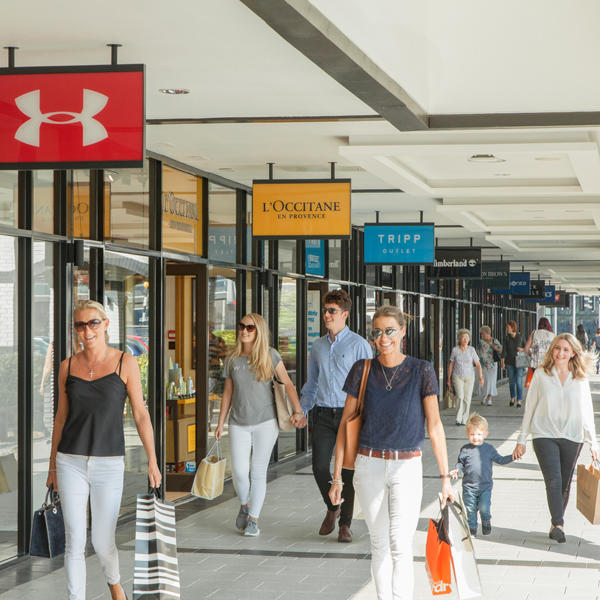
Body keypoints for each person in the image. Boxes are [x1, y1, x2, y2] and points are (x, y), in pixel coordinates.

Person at [329, 305, 453, 600]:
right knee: (379, 544)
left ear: (402, 332)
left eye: (389, 331)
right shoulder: (362, 369)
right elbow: (345, 426)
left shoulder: (421, 370)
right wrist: (337, 478)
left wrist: (445, 477)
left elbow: (435, 426)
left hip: (407, 466)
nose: (382, 338)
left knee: (400, 544)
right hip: (369, 465)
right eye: (376, 332)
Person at [47, 300, 161, 600]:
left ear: (106, 324)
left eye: (93, 323)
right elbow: (61, 418)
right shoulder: (67, 366)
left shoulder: (126, 362)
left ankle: (114, 584)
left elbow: (140, 413)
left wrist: (153, 460)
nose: (87, 331)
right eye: (80, 325)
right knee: (74, 541)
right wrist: (51, 467)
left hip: (109, 463)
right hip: (69, 460)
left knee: (101, 541)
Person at [215, 313, 303, 537]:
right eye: (241, 326)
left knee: (257, 472)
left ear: (259, 331)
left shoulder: (270, 356)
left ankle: (253, 519)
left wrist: (298, 410)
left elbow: (288, 385)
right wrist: (220, 422)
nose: (244, 331)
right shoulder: (232, 359)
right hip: (238, 422)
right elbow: (227, 393)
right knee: (239, 471)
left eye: (250, 328)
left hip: (266, 422)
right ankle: (244, 504)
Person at [299, 289, 372, 543]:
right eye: (325, 310)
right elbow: (312, 382)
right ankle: (333, 507)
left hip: (349, 414)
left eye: (332, 311)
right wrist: (302, 410)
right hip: (322, 414)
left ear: (345, 314)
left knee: (348, 472)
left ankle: (345, 525)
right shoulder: (318, 346)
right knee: (319, 466)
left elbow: (367, 383)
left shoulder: (359, 344)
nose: (326, 315)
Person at [512, 333, 599, 543]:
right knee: (554, 479)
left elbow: (587, 411)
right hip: (544, 434)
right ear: (552, 349)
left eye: (566, 349)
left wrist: (593, 443)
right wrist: (522, 439)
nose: (560, 352)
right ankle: (558, 523)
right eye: (557, 348)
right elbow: (530, 406)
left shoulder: (580, 377)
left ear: (573, 354)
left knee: (564, 483)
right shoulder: (541, 374)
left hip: (573, 436)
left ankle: (555, 523)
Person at [450, 413, 513, 536]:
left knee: (484, 507)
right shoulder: (465, 449)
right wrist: (456, 470)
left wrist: (513, 456)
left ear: (485, 434)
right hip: (469, 487)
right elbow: (460, 463)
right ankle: (472, 529)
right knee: (470, 509)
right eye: (472, 434)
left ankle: (486, 521)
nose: (475, 437)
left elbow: (501, 460)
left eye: (479, 434)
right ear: (467, 434)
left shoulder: (489, 449)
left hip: (485, 486)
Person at [447, 329, 484, 426]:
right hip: (457, 376)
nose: (465, 339)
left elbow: (478, 364)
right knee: (460, 396)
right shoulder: (455, 350)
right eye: (463, 337)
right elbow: (451, 364)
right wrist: (448, 379)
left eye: (467, 338)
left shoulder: (471, 350)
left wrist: (480, 376)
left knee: (467, 398)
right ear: (459, 339)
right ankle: (458, 418)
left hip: (469, 377)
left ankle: (464, 418)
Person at [501, 320, 526, 408]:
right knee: (511, 382)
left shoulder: (520, 337)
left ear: (512, 327)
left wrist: (522, 349)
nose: (507, 329)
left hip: (519, 362)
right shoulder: (506, 338)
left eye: (508, 327)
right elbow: (504, 351)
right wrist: (503, 362)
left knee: (519, 382)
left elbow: (526, 348)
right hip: (509, 362)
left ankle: (519, 400)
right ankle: (512, 397)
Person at [477, 326, 502, 406]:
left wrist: (494, 347)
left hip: (492, 364)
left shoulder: (494, 341)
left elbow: (501, 350)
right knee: (484, 381)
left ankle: (489, 398)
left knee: (491, 381)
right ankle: (484, 396)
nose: (482, 335)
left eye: (483, 334)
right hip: (483, 364)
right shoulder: (480, 342)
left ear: (487, 333)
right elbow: (478, 352)